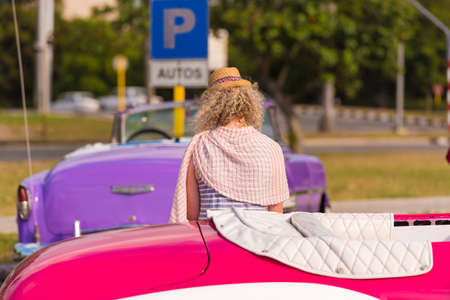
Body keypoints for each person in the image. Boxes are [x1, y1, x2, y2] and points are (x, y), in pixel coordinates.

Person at [169, 67, 289, 223]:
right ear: (249, 101)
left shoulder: (200, 147)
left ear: (211, 104)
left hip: (212, 242)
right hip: (257, 243)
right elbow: (276, 213)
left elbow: (192, 213)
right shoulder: (271, 148)